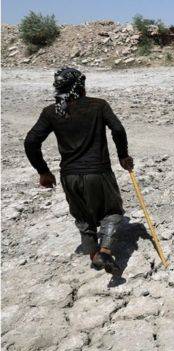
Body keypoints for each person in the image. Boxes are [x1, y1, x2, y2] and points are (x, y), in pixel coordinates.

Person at [24, 67, 134, 274]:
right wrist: (123, 156)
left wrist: (43, 172)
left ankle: (94, 255)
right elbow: (118, 129)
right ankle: (106, 249)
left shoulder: (51, 112)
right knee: (112, 212)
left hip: (70, 176)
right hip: (98, 172)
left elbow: (31, 141)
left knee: (84, 218)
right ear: (81, 85)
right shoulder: (98, 105)